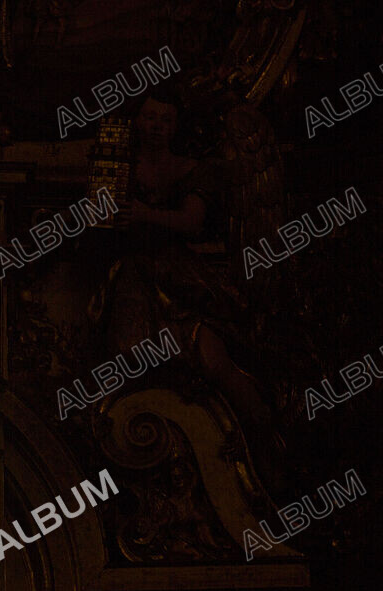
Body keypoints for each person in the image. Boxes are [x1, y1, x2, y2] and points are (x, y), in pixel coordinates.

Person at [98, 89, 285, 485]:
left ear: (176, 126)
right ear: (137, 122)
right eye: (149, 118)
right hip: (133, 277)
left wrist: (146, 214)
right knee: (125, 357)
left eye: (165, 120)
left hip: (181, 279)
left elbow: (191, 222)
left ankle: (264, 443)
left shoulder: (190, 169)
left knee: (214, 361)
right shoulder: (117, 168)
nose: (156, 127)